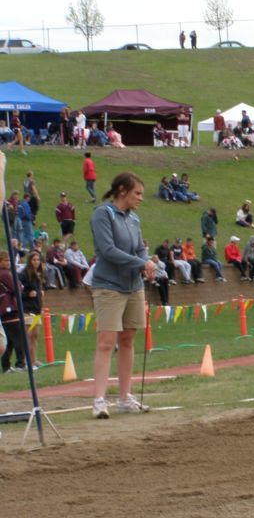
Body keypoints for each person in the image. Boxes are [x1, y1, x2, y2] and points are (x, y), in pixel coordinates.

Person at [89, 172, 156, 418]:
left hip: (134, 286)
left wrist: (146, 263)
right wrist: (140, 262)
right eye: (137, 193)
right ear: (122, 190)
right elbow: (108, 250)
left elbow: (140, 247)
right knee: (106, 343)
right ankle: (99, 400)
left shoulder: (134, 219)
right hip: (109, 286)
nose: (140, 198)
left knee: (128, 340)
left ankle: (125, 397)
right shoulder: (102, 214)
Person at [18, 251, 44, 368]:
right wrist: (28, 294)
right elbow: (18, 293)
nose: (36, 262)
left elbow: (37, 293)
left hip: (36, 309)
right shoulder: (23, 275)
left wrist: (40, 305)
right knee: (28, 336)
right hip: (27, 309)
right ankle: (25, 361)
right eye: (34, 260)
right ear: (29, 261)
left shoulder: (37, 274)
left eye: (38, 260)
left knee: (35, 336)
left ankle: (34, 359)